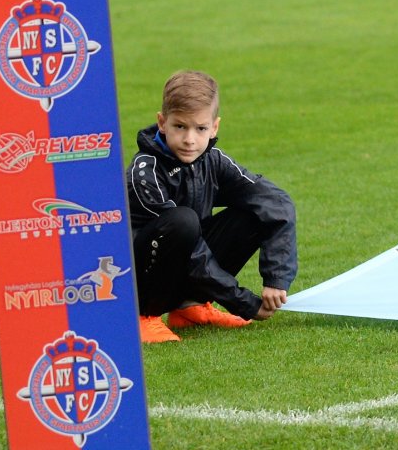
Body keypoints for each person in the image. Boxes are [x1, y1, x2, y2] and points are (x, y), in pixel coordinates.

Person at [127, 70, 296, 344]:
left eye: (200, 129)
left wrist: (277, 278)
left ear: (214, 127)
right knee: (183, 222)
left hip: (186, 270)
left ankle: (191, 306)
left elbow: (276, 202)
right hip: (140, 282)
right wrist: (242, 301)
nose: (190, 139)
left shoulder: (213, 160)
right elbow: (194, 253)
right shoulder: (144, 172)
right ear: (162, 122)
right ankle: (143, 316)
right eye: (180, 126)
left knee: (255, 211)